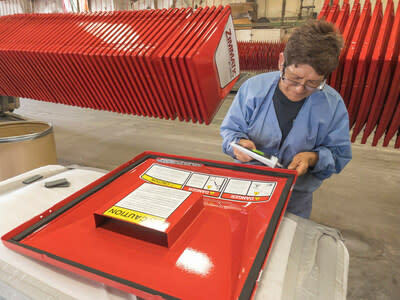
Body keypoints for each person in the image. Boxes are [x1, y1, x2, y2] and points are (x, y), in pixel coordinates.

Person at [220, 19, 352, 218]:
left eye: (313, 83)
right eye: (294, 78)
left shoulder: (332, 105)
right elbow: (230, 132)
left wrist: (313, 158)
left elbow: (339, 154)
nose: (300, 89)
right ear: (282, 61)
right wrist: (237, 144)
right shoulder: (253, 89)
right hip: (245, 187)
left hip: (294, 199)